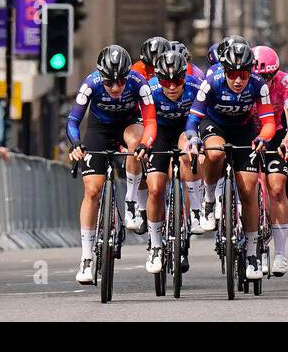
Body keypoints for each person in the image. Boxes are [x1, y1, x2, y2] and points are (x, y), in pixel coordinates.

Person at [185, 38, 275, 281]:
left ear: (251, 72)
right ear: (224, 70)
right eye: (232, 74)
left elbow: (268, 124)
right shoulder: (211, 80)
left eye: (243, 74)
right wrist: (193, 139)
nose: (237, 80)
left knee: (248, 190)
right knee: (215, 153)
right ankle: (209, 198)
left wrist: (263, 139)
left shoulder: (258, 85)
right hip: (213, 125)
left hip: (243, 129)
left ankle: (252, 253)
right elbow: (193, 120)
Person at [67, 46, 157, 284]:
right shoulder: (91, 84)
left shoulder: (139, 83)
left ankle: (130, 202)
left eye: (121, 82)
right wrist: (75, 143)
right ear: (101, 77)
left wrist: (145, 145)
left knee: (134, 144)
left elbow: (150, 121)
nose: (116, 88)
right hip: (100, 129)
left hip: (130, 125)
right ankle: (86, 257)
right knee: (92, 190)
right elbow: (74, 120)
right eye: (110, 83)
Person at [142, 48, 203, 274]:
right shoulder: (149, 90)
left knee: (189, 156)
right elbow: (141, 122)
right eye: (165, 81)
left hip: (184, 131)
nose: (172, 87)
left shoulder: (196, 87)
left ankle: (194, 214)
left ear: (184, 77)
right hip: (158, 133)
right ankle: (156, 244)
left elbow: (203, 119)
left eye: (177, 81)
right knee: (156, 188)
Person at [252, 45, 288, 276]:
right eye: (259, 77)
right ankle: (253, 244)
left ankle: (281, 253)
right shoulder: (245, 81)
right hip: (249, 132)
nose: (265, 81)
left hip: (277, 133)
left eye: (268, 77)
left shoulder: (283, 82)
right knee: (250, 186)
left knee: (277, 188)